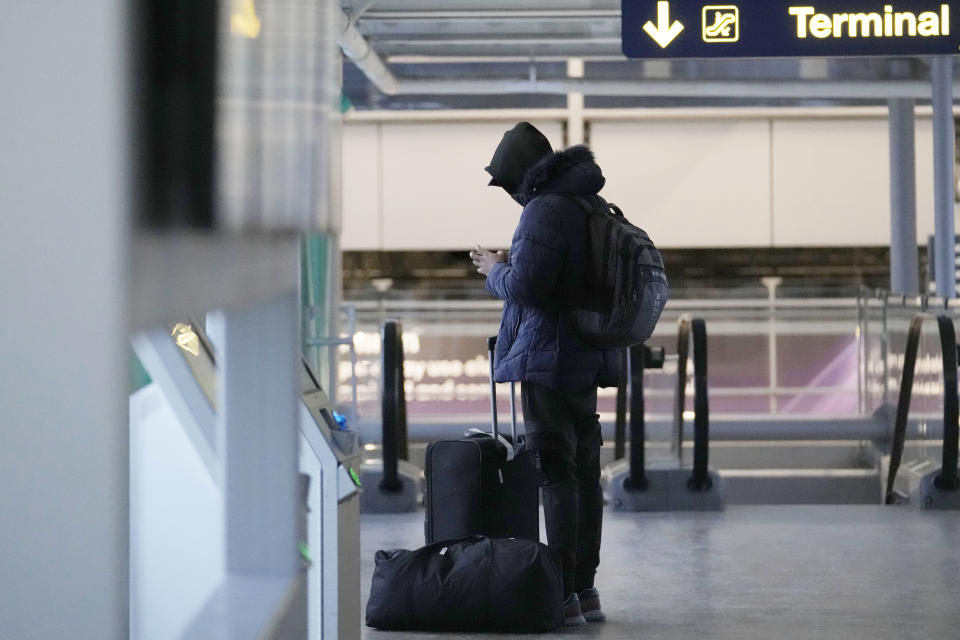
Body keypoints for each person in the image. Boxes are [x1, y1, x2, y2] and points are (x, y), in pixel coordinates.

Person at [470, 122, 619, 626]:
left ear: (520, 175)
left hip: (548, 357)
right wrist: (517, 257)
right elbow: (565, 272)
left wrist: (494, 269)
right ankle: (586, 588)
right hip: (584, 354)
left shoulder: (543, 208)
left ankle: (560, 593)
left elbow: (528, 289)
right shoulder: (584, 202)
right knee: (582, 473)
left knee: (556, 473)